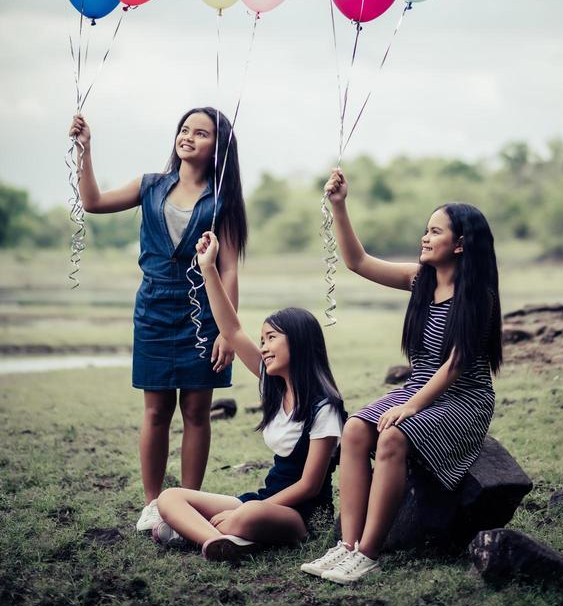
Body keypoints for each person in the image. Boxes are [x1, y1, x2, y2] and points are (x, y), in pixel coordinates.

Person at [302, 168, 503, 584]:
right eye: (425, 231)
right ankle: (346, 546)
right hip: (419, 387)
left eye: (435, 232)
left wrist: (410, 408)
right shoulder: (419, 280)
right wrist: (339, 205)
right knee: (356, 428)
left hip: (464, 399)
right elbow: (357, 261)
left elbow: (455, 364)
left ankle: (368, 554)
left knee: (394, 435)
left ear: (461, 244)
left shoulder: (477, 296)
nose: (425, 238)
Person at [69, 107, 247, 532]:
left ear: (216, 146)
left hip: (204, 313)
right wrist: (85, 150)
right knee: (155, 412)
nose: (188, 137)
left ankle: (189, 503)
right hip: (152, 310)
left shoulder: (223, 199)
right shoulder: (150, 185)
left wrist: (229, 331)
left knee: (197, 411)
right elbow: (92, 203)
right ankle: (153, 505)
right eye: (184, 130)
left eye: (200, 133)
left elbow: (230, 270)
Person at [154, 230, 346, 562]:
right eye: (262, 339)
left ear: (297, 343)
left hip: (299, 515)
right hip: (264, 500)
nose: (263, 347)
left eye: (271, 338)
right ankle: (218, 541)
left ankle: (220, 532)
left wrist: (251, 511)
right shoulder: (273, 386)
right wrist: (208, 267)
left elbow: (310, 487)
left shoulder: (324, 407)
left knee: (248, 516)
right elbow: (231, 330)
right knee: (169, 498)